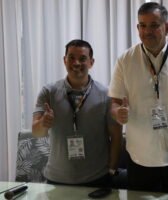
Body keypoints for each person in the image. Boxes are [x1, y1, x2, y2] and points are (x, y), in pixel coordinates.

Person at [108, 2, 168, 194]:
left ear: (167, 27)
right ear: (137, 28)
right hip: (140, 158)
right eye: (142, 25)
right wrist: (117, 113)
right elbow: (115, 102)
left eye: (154, 25)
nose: (147, 31)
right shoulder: (125, 60)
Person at [32, 39, 122, 187]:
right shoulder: (48, 92)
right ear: (64, 60)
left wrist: (111, 171)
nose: (76, 63)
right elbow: (37, 133)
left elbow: (116, 136)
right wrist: (43, 123)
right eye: (71, 58)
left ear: (91, 62)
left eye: (82, 59)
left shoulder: (106, 94)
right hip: (57, 179)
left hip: (97, 179)